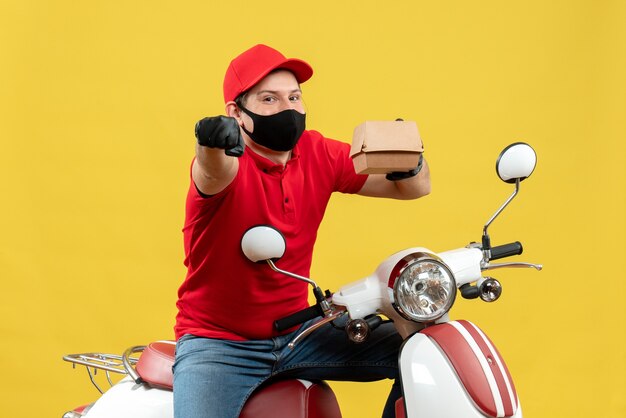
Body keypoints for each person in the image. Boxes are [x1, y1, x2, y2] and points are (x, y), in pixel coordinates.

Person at [173, 44, 431, 418]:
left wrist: (408, 158)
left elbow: (415, 188)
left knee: (424, 349)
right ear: (236, 114)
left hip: (302, 333)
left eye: (294, 97)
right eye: (269, 99)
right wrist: (211, 143)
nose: (288, 109)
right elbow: (212, 172)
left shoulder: (317, 152)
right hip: (220, 345)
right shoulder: (227, 165)